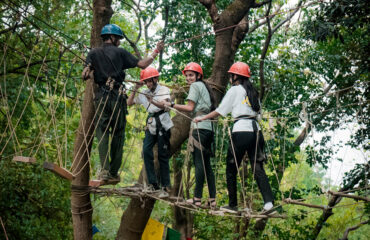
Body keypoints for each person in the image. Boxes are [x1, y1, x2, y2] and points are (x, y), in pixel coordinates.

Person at [82, 23, 164, 182]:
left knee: (103, 132)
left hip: (101, 97)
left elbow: (86, 74)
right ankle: (113, 172)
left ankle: (104, 170)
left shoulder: (93, 53)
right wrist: (156, 51)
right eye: (118, 38)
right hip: (117, 96)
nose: (119, 41)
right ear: (112, 38)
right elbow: (143, 64)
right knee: (118, 133)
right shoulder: (120, 52)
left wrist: (90, 70)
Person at [194, 62, 274, 212]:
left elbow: (220, 111)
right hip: (256, 132)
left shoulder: (234, 90)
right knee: (258, 168)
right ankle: (268, 203)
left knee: (231, 168)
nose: (230, 78)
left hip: (241, 131)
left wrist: (202, 118)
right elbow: (259, 114)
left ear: (235, 76)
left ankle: (233, 204)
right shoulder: (253, 92)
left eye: (231, 75)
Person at [163, 62, 216, 207]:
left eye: (191, 75)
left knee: (199, 163)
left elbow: (189, 107)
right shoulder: (204, 87)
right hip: (208, 128)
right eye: (186, 76)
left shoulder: (196, 86)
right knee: (206, 165)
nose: (188, 78)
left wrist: (171, 105)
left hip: (199, 127)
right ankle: (212, 199)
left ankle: (197, 198)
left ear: (198, 76)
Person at [127, 67, 173, 196]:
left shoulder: (164, 90)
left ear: (155, 79)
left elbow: (164, 105)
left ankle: (165, 187)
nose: (148, 84)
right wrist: (136, 89)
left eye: (149, 81)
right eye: (146, 81)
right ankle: (153, 184)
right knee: (146, 151)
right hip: (151, 122)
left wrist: (151, 100)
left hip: (163, 122)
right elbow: (129, 103)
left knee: (162, 155)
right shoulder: (143, 92)